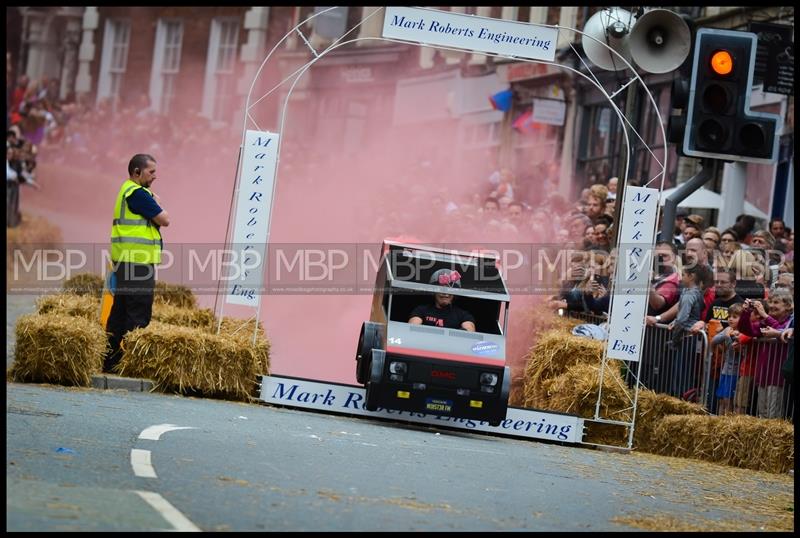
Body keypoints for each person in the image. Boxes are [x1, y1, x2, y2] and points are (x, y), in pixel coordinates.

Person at [104, 154, 170, 373]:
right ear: (137, 172)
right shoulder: (138, 193)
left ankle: (110, 359)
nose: (155, 176)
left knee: (120, 311)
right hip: (138, 262)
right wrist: (157, 203)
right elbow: (165, 219)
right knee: (138, 313)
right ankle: (131, 364)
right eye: (151, 172)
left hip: (126, 260)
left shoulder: (127, 190)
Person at [738, 290, 794, 418]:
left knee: (773, 415)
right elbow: (746, 330)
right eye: (770, 301)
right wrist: (746, 312)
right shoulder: (766, 321)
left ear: (787, 306)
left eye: (776, 302)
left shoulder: (790, 322)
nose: (772, 305)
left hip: (777, 377)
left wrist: (764, 315)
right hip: (763, 375)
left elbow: (782, 331)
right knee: (762, 414)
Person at [409, 269, 476, 331]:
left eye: (449, 289)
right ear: (434, 291)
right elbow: (411, 328)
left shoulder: (463, 315)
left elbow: (469, 330)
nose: (445, 293)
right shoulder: (421, 310)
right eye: (441, 289)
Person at [711, 303, 745, 415]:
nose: (730, 319)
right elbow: (714, 340)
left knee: (728, 400)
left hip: (735, 372)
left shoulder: (742, 333)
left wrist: (728, 337)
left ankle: (726, 422)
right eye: (729, 316)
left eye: (735, 317)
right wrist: (725, 334)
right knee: (721, 399)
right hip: (725, 370)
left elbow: (736, 349)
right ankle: (720, 421)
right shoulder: (728, 329)